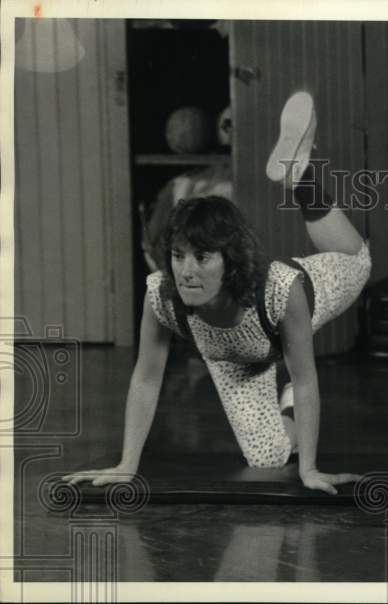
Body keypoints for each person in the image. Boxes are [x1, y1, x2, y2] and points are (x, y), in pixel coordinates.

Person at [64, 91, 371, 494]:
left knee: (358, 260)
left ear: (230, 260)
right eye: (177, 255)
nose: (186, 272)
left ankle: (303, 176)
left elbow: (307, 377)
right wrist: (126, 464)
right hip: (236, 362)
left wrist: (309, 470)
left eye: (203, 258)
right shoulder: (161, 295)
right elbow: (145, 378)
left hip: (309, 296)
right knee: (268, 460)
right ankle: (286, 403)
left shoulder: (283, 289)